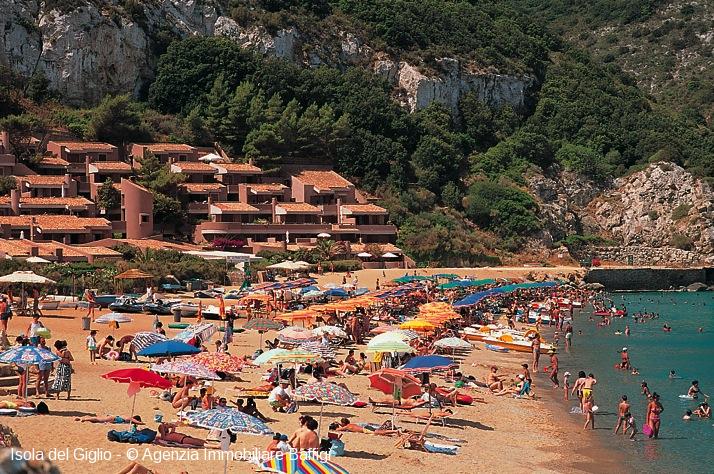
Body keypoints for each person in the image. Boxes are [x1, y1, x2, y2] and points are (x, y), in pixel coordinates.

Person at [75, 415, 144, 425]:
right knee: (99, 419)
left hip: (113, 418)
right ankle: (84, 419)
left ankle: (85, 419)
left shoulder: (129, 419)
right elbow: (138, 423)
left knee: (97, 420)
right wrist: (141, 423)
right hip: (113, 418)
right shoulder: (130, 418)